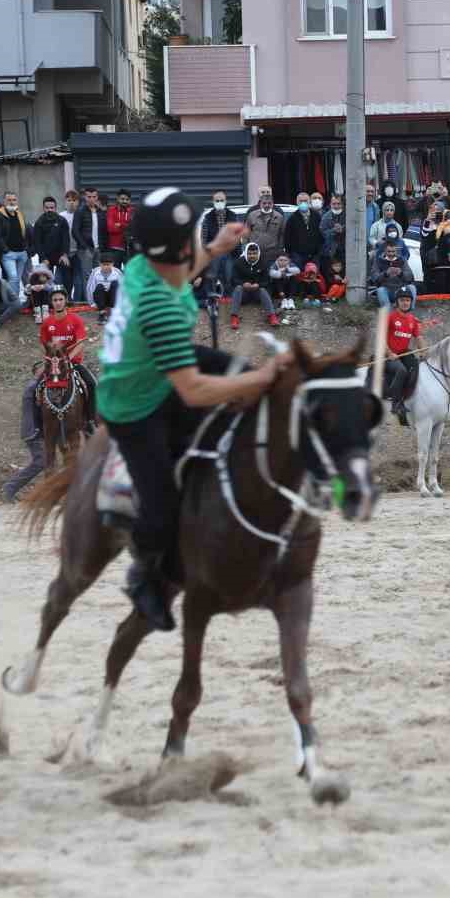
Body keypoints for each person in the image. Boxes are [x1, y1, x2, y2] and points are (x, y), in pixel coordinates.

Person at [96, 189, 283, 632]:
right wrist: (262, 379)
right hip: (136, 403)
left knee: (233, 372)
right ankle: (145, 579)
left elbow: (182, 271)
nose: (194, 242)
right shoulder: (157, 307)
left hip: (158, 363)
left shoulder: (145, 265)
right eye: (191, 237)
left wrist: (217, 248)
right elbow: (194, 390)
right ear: (179, 246)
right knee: (161, 513)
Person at [39, 288, 97, 423]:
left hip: (74, 363)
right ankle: (36, 428)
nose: (58, 302)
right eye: (55, 300)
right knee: (32, 389)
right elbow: (43, 345)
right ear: (51, 302)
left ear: (65, 301)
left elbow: (81, 344)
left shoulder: (76, 320)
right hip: (52, 365)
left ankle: (91, 420)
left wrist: (66, 359)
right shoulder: (46, 323)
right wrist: (50, 359)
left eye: (60, 299)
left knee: (92, 384)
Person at [382, 289, 425, 425]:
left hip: (402, 353)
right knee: (401, 370)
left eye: (407, 300)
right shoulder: (390, 317)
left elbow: (418, 338)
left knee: (416, 365)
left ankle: (410, 398)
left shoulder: (412, 320)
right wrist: (389, 353)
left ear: (411, 302)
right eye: (402, 300)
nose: (405, 303)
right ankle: (396, 404)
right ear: (397, 302)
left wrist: (423, 351)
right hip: (387, 355)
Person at [3, 378, 47, 503]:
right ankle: (11, 486)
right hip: (32, 431)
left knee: (44, 462)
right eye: (41, 369)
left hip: (36, 431)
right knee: (41, 462)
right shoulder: (32, 386)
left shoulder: (37, 387)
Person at [31, 195, 74, 292]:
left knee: (67, 271)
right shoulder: (39, 222)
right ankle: (47, 298)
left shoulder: (62, 221)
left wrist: (65, 254)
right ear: (43, 208)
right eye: (47, 208)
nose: (49, 210)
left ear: (55, 208)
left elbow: (66, 239)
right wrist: (43, 258)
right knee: (42, 278)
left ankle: (67, 296)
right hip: (46, 256)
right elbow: (37, 243)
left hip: (60, 255)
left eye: (52, 207)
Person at [229, 242, 276, 330]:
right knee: (238, 288)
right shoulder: (239, 262)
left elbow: (267, 281)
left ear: (258, 253)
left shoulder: (264, 263)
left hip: (257, 294)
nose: (252, 256)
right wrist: (243, 283)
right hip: (243, 295)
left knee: (262, 289)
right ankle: (234, 317)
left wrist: (258, 285)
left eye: (254, 253)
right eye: (250, 253)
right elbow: (233, 279)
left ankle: (272, 316)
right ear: (246, 253)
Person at [372, 236, 416, 309]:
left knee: (412, 287)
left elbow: (411, 277)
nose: (391, 254)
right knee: (380, 290)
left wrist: (401, 273)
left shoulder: (402, 260)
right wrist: (385, 274)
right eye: (389, 251)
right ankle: (387, 311)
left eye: (393, 251)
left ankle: (409, 311)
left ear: (396, 251)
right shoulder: (378, 261)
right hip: (386, 290)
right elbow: (375, 279)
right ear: (385, 251)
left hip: (400, 290)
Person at [245, 185, 284, 254]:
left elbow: (282, 234)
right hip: (254, 252)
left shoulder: (279, 213)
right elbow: (246, 233)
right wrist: (247, 249)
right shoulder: (251, 213)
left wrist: (280, 250)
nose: (267, 205)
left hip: (273, 252)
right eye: (263, 192)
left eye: (268, 192)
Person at [86, 252, 123, 323]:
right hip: (100, 298)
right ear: (100, 264)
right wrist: (92, 303)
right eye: (104, 265)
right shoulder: (95, 272)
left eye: (108, 265)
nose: (106, 267)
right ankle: (102, 314)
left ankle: (114, 312)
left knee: (115, 284)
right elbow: (90, 288)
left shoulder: (117, 272)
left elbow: (124, 288)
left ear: (112, 264)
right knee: (99, 286)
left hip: (113, 298)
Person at [267, 250, 301, 315]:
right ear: (277, 260)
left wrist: (287, 270)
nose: (283, 262)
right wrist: (281, 273)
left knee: (294, 278)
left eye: (285, 260)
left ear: (289, 260)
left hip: (288, 286)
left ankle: (291, 299)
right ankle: (283, 299)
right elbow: (271, 273)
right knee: (278, 278)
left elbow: (298, 271)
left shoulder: (290, 264)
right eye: (281, 260)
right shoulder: (274, 265)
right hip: (277, 289)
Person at [105, 189, 134, 254]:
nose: (125, 201)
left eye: (127, 199)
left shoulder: (132, 211)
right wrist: (127, 225)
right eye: (122, 199)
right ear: (117, 199)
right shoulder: (111, 210)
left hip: (129, 248)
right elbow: (111, 228)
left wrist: (120, 225)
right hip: (115, 247)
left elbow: (134, 228)